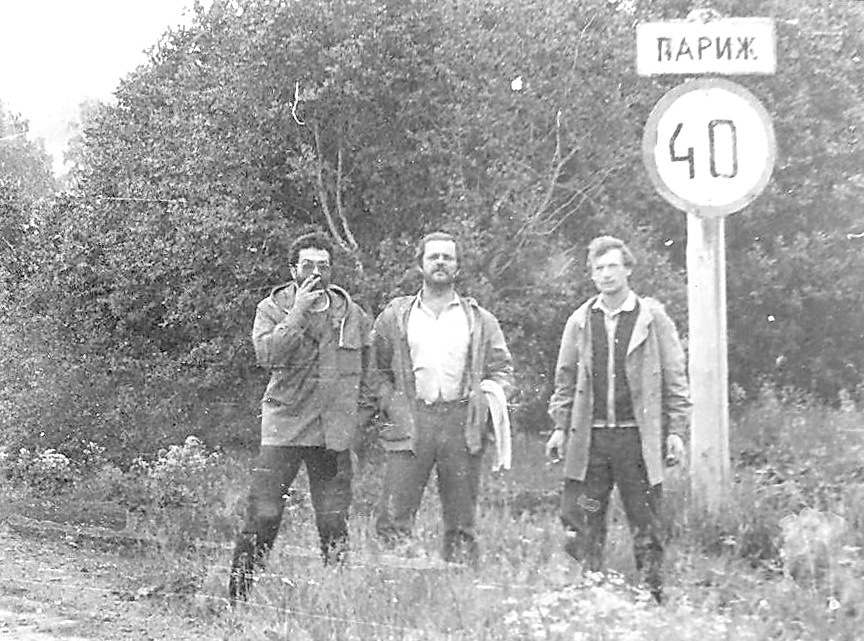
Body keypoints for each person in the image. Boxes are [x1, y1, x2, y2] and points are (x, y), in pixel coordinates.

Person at [228, 231, 372, 603]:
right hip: (285, 426)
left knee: (333, 520)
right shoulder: (271, 308)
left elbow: (370, 373)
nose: (316, 273)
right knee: (263, 515)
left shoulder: (350, 313)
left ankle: (336, 603)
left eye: (323, 266)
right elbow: (267, 356)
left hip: (332, 432)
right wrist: (298, 313)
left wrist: (357, 420)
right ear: (293, 270)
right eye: (307, 265)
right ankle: (237, 600)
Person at [545, 235, 690, 604]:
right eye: (599, 268)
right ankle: (589, 590)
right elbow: (565, 379)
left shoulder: (652, 319)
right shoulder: (581, 320)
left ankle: (652, 595)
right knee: (587, 513)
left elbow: (675, 378)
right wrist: (560, 428)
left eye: (613, 266)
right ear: (592, 275)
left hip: (635, 441)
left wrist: (675, 431)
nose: (606, 274)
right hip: (592, 443)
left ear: (628, 269)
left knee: (644, 518)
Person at [371, 231, 513, 565]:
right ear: (419, 265)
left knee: (461, 519)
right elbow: (374, 370)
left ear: (457, 267)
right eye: (433, 256)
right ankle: (394, 580)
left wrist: (486, 399)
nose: (440, 262)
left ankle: (459, 581)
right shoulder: (396, 316)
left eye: (447, 257)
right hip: (411, 420)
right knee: (395, 513)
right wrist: (391, 403)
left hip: (460, 422)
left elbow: (503, 370)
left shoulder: (479, 319)